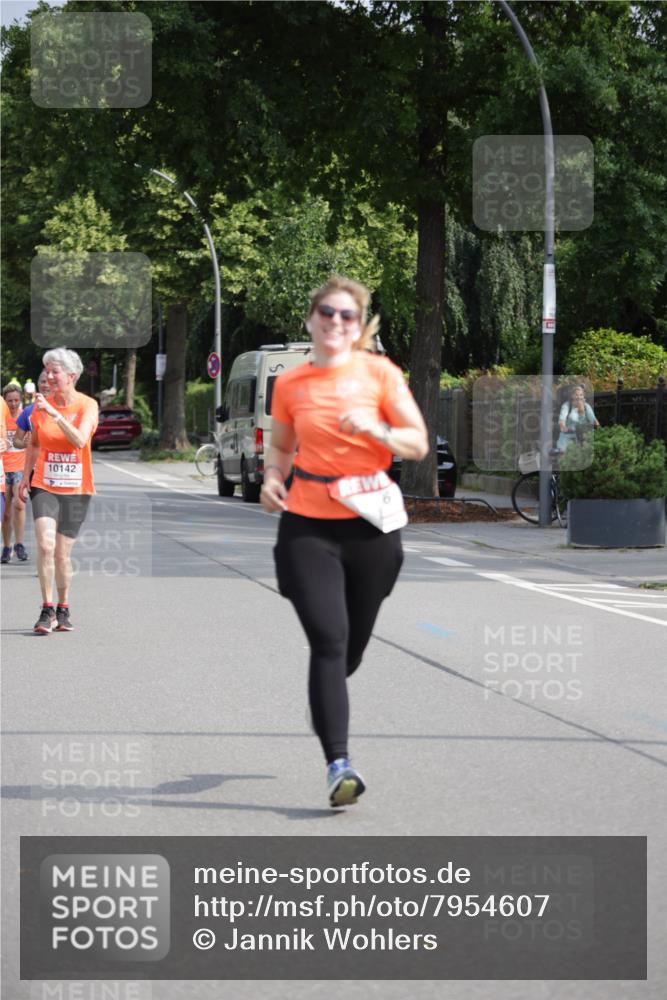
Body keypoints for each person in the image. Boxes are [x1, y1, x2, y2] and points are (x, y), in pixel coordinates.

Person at [261, 276, 428, 807]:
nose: (336, 323)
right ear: (311, 318)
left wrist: (377, 431)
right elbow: (281, 449)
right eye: (327, 313)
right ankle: (339, 764)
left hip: (372, 529)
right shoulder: (290, 385)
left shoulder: (381, 374)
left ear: (359, 327)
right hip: (307, 526)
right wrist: (271, 478)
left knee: (348, 653)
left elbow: (417, 443)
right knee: (329, 641)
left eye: (347, 316)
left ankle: (325, 696)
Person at [18, 348, 99, 634]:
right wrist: (25, 477)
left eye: (55, 372)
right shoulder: (38, 409)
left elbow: (79, 440)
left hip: (77, 488)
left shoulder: (87, 406)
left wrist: (55, 413)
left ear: (72, 376)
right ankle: (46, 608)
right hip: (45, 485)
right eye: (46, 371)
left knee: (62, 555)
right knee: (45, 545)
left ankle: (64, 608)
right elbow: (36, 445)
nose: (48, 377)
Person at [1, 382, 29, 562]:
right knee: (6, 512)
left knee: (20, 504)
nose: (13, 404)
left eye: (16, 400)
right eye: (9, 400)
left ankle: (19, 544)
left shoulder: (25, 416)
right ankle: (7, 546)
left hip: (20, 467)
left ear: (21, 400)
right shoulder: (2, 416)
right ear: (4, 400)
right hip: (3, 467)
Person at [556, 384, 600, 452]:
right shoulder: (567, 406)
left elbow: (594, 421)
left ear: (583, 396)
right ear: (572, 396)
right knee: (564, 451)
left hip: (583, 435)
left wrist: (595, 425)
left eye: (581, 395)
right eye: (576, 395)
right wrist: (563, 427)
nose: (579, 397)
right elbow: (562, 420)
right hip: (569, 435)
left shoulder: (586, 406)